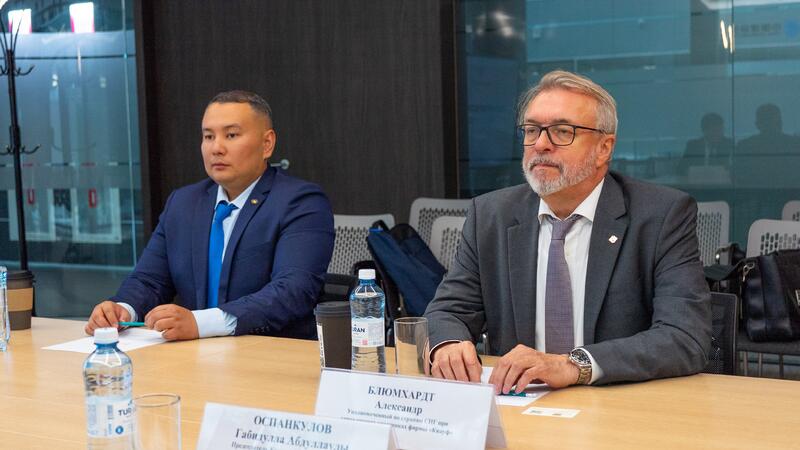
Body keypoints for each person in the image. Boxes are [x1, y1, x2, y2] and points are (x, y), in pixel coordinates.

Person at [424, 70, 711, 392]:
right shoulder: (491, 214)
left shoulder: (660, 215)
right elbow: (449, 310)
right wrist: (448, 343)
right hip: (520, 402)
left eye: (562, 131)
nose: (540, 144)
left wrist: (575, 365)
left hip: (619, 400)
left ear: (604, 148)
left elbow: (685, 336)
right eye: (531, 130)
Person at [85, 91, 335, 340]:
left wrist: (201, 323)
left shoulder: (301, 202)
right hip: (195, 353)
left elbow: (293, 290)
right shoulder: (183, 203)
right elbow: (150, 280)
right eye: (208, 136)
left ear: (267, 143)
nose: (216, 148)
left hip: (270, 352)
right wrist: (122, 309)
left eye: (231, 135)